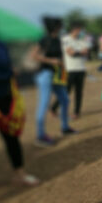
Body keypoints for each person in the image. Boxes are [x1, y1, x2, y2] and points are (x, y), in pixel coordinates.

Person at [0, 8, 39, 192]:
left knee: (11, 137)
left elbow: (7, 67)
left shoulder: (0, 45)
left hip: (4, 97)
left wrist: (15, 70)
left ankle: (19, 174)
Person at [31, 16, 76, 147]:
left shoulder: (58, 39)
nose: (62, 27)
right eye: (60, 25)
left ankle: (65, 127)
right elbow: (33, 55)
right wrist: (51, 61)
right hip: (45, 75)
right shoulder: (44, 39)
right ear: (56, 27)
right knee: (44, 104)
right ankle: (40, 136)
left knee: (65, 99)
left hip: (56, 75)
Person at [51, 20, 90, 120]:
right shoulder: (66, 39)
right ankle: (54, 108)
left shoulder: (82, 40)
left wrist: (78, 52)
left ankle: (76, 112)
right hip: (70, 69)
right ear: (75, 30)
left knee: (79, 92)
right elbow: (71, 53)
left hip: (81, 69)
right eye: (80, 30)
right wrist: (80, 52)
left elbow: (86, 52)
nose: (81, 32)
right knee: (66, 91)